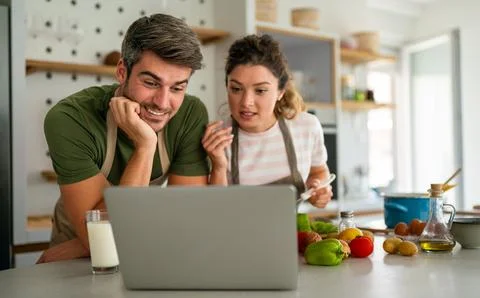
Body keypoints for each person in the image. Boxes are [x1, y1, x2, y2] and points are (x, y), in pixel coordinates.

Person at [38, 14, 210, 263]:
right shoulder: (69, 119)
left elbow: (187, 218)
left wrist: (80, 246)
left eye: (177, 88)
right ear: (122, 71)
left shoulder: (191, 114)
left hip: (135, 249)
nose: (163, 102)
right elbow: (97, 238)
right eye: (151, 82)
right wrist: (145, 146)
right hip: (81, 258)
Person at [202, 34, 333, 208]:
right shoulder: (218, 140)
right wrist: (218, 165)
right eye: (236, 88)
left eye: (260, 90)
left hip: (291, 234)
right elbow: (216, 209)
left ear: (280, 92)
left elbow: (319, 171)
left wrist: (319, 189)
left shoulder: (307, 127)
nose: (246, 102)